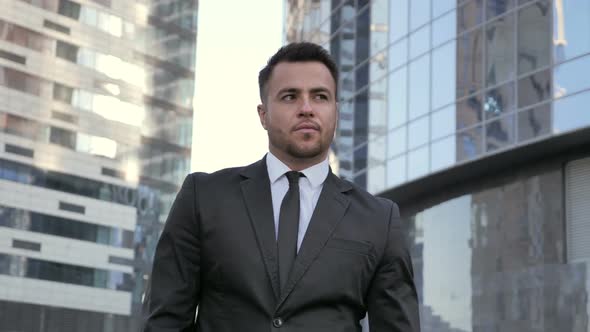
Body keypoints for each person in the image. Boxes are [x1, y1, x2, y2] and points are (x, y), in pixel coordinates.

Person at [142, 42, 420, 331]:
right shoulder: (203, 196)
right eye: (290, 97)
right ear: (263, 115)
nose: (307, 108)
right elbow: (165, 320)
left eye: (320, 97)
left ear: (335, 112)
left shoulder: (379, 219)